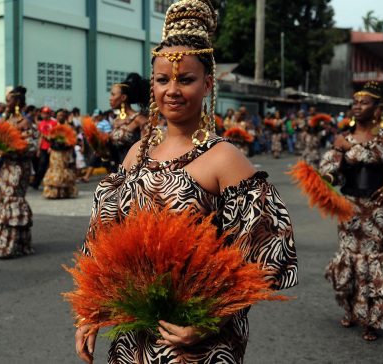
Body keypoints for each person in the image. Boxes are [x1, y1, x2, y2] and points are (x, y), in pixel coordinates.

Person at [73, 1, 297, 362]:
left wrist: (211, 319)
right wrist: (90, 310)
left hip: (195, 343)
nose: (172, 90)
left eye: (186, 79)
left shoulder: (224, 158)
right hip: (134, 331)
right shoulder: (136, 153)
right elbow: (103, 239)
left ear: (207, 84)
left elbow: (264, 250)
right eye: (163, 79)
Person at [319, 82, 383, 341]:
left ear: (378, 108)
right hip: (350, 207)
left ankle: (372, 320)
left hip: (379, 209)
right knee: (350, 259)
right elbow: (330, 168)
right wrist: (327, 176)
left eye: (364, 102)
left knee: (373, 262)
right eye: (355, 102)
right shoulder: (343, 139)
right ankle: (353, 310)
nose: (357, 106)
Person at [0, 86, 37, 258]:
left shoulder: (25, 122)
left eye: (8, 100)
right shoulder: (7, 121)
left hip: (19, 168)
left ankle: (9, 243)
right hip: (6, 166)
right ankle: (20, 243)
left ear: (16, 102)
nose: (5, 103)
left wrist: (11, 149)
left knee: (12, 199)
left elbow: (32, 147)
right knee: (4, 198)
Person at [110, 73, 149, 164]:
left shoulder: (139, 119)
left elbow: (148, 149)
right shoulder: (116, 120)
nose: (110, 99)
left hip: (134, 171)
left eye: (113, 95)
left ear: (123, 97)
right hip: (117, 171)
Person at [42, 109, 78, 199]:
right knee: (55, 169)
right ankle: (53, 193)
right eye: (58, 115)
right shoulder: (53, 126)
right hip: (55, 153)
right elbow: (49, 137)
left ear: (65, 117)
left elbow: (73, 140)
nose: (60, 117)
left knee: (64, 170)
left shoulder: (69, 127)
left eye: (62, 115)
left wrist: (66, 143)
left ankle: (65, 192)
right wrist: (48, 139)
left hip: (65, 153)